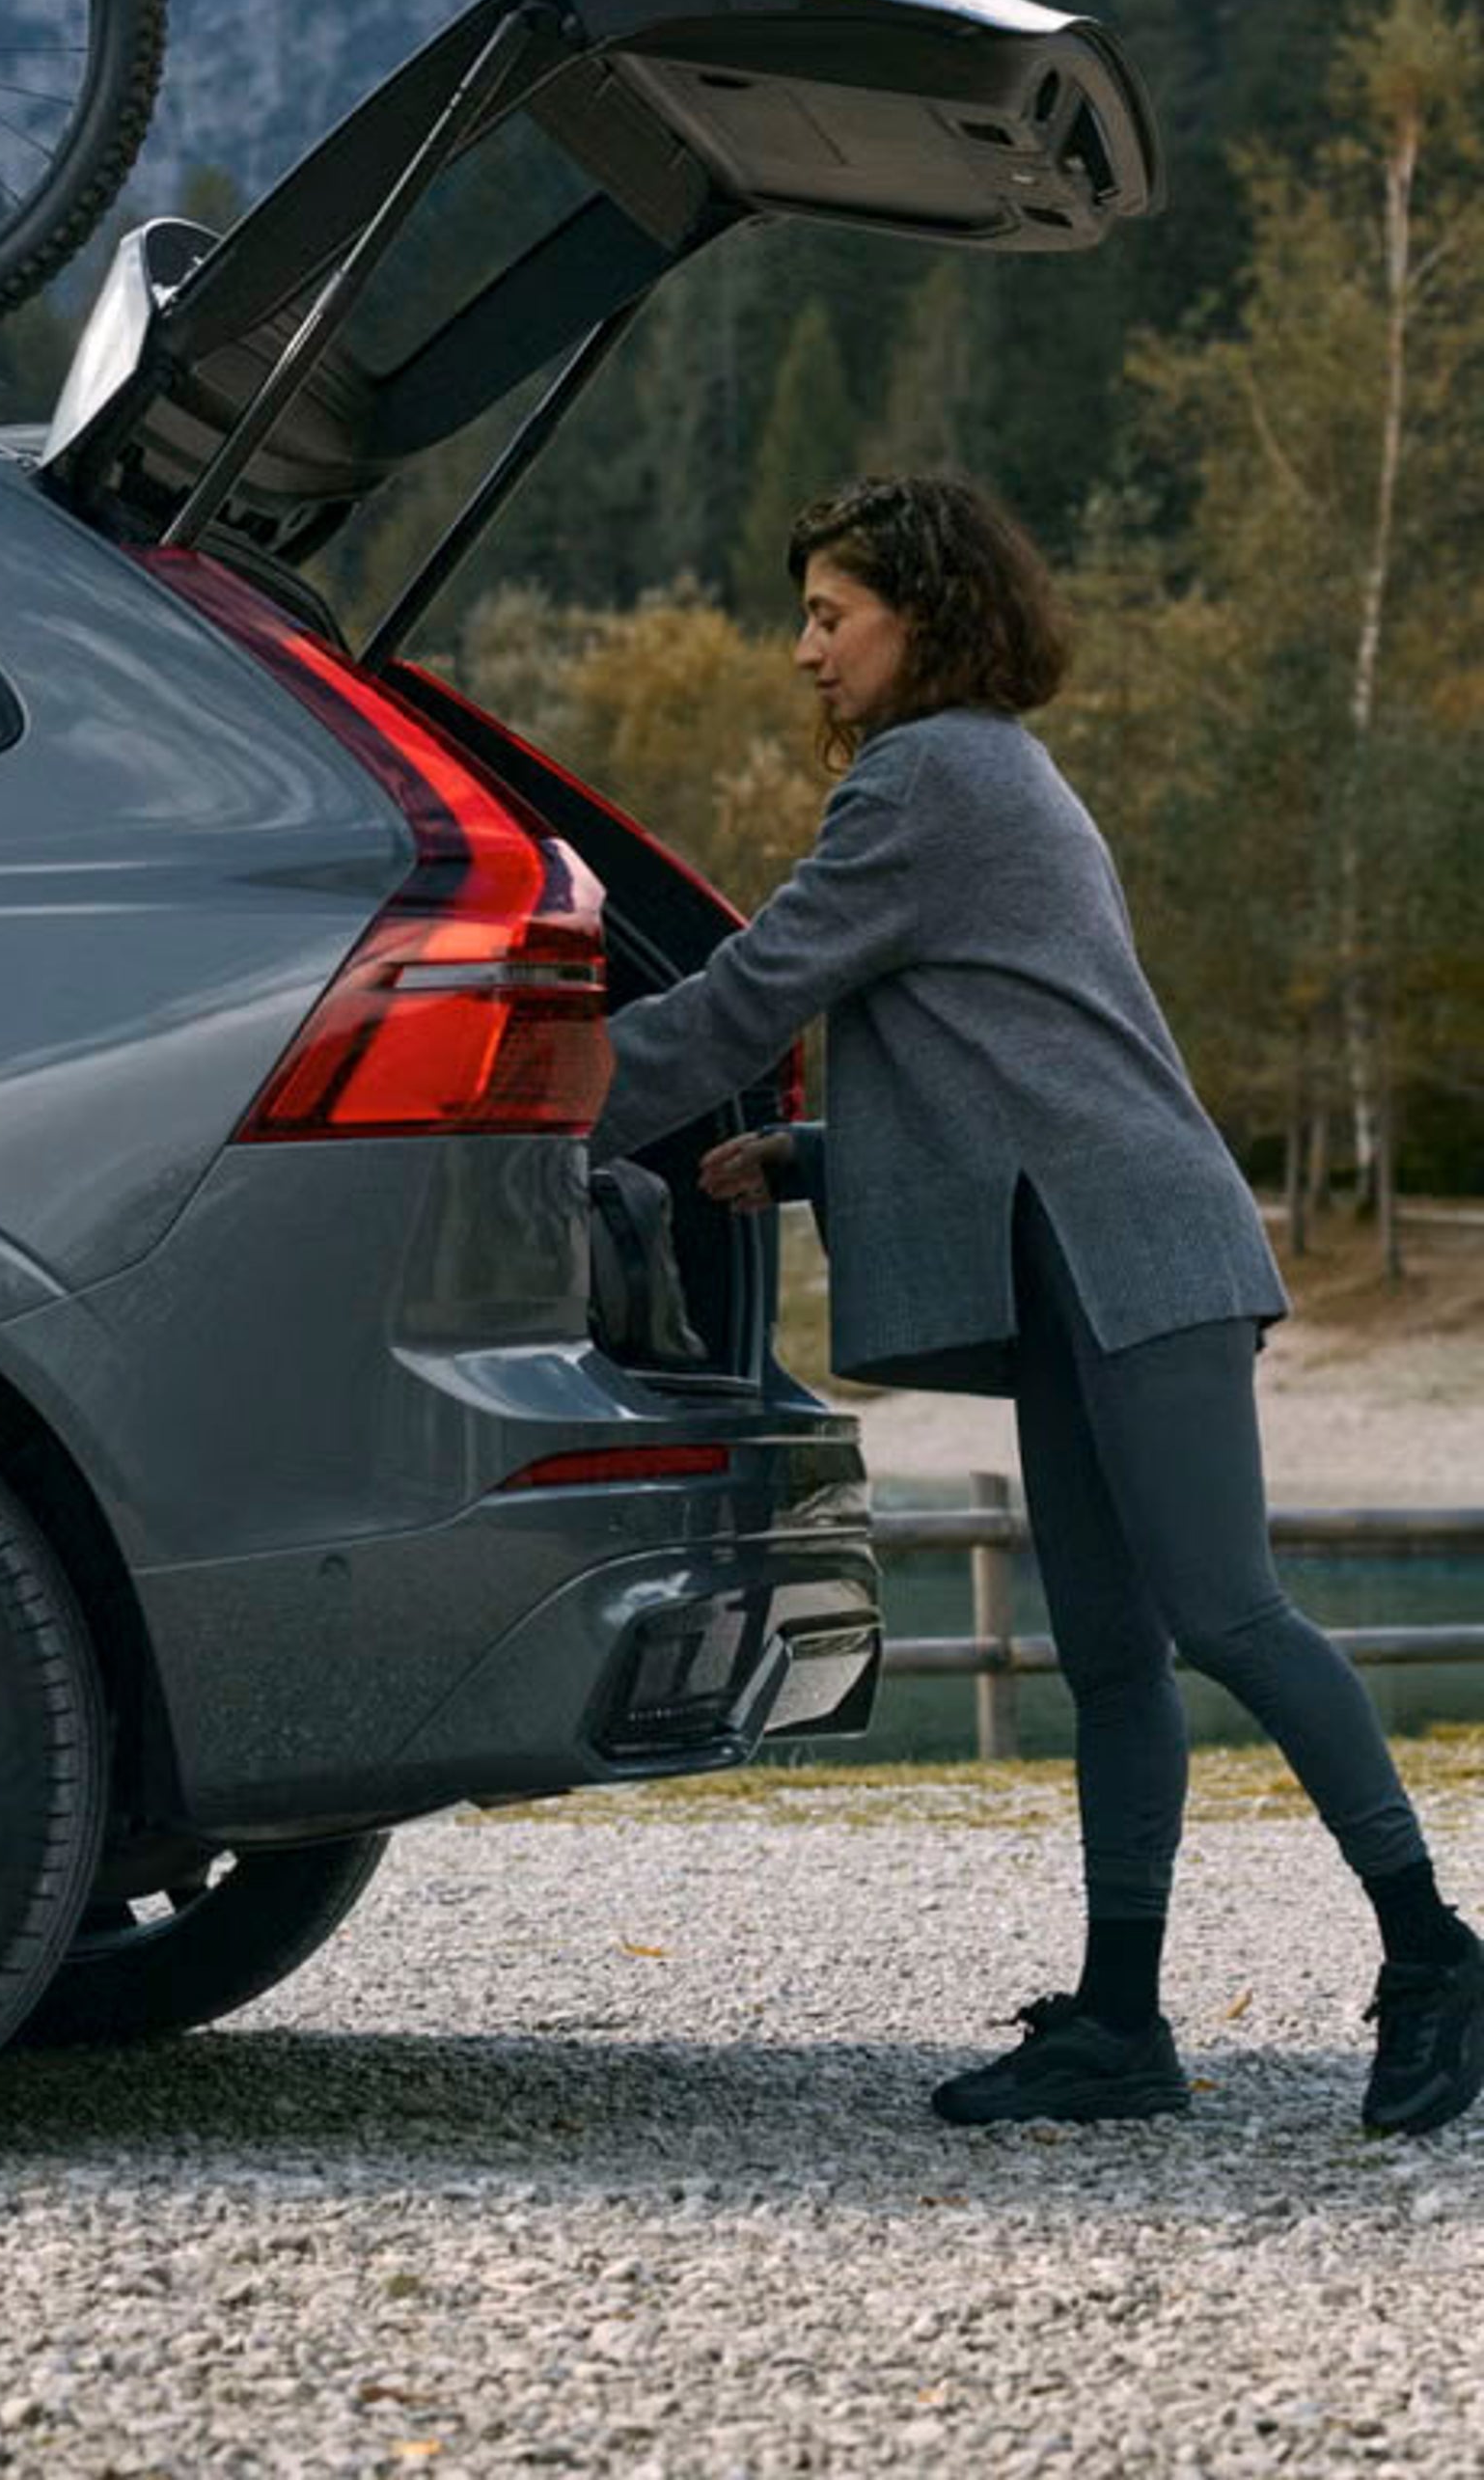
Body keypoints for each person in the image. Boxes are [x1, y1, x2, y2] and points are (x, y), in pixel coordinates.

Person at [589, 471, 1484, 2135]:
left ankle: (1437, 1954)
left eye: (830, 616)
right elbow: (1021, 1054)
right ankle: (1121, 2023)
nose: (805, 653)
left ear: (918, 618)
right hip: (1083, 1240)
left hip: (1132, 1246)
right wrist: (807, 1154)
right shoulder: (993, 772)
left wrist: (520, 1103)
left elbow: (745, 994)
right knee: (1112, 1655)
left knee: (1224, 1612)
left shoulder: (925, 776)